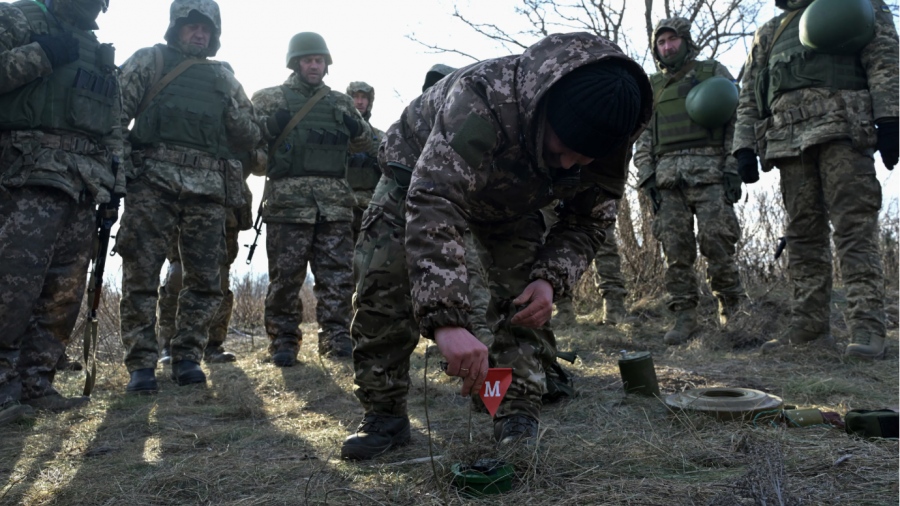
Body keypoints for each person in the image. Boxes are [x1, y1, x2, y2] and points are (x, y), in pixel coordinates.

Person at [341, 32, 651, 460]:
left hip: (513, 203)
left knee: (522, 305)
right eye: (561, 150)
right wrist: (447, 322)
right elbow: (435, 200)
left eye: (582, 160)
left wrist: (549, 280)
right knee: (383, 292)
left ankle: (516, 412)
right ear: (546, 115)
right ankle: (385, 415)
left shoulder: (613, 132)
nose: (567, 166)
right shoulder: (483, 99)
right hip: (414, 180)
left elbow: (588, 219)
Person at [733, 0, 898, 358]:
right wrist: (743, 146)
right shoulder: (770, 31)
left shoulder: (857, 4)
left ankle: (867, 327)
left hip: (843, 129)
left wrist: (889, 117)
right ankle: (808, 328)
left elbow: (884, 58)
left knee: (854, 229)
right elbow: (750, 93)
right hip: (789, 142)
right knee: (802, 235)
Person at [117, 0, 262, 393]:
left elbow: (249, 135)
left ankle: (187, 356)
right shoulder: (150, 61)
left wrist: (234, 108)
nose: (199, 33)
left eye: (206, 29)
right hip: (152, 184)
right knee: (141, 274)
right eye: (191, 26)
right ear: (176, 28)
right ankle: (142, 363)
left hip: (207, 191)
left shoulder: (223, 78)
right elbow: (116, 115)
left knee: (205, 279)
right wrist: (117, 171)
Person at [0, 0, 121, 423]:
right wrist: (40, 55)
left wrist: (114, 187)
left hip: (84, 185)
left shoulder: (96, 50)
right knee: (12, 287)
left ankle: (36, 383)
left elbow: (113, 127)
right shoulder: (16, 18)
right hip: (23, 177)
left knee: (64, 293)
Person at [251, 32, 372, 365]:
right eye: (308, 60)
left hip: (334, 207)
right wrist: (267, 130)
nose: (314, 65)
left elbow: (364, 144)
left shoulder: (341, 103)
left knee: (337, 277)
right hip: (288, 207)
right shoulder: (269, 99)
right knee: (285, 279)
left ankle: (336, 338)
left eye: (319, 60)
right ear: (295, 62)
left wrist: (355, 127)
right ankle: (284, 341)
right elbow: (249, 149)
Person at [633, 17, 747, 345]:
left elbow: (734, 124)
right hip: (668, 182)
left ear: (685, 40)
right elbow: (643, 138)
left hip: (711, 176)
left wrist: (731, 169)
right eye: (661, 42)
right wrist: (647, 178)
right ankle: (685, 315)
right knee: (676, 252)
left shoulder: (713, 74)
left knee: (718, 244)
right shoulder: (652, 86)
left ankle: (732, 310)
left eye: (672, 40)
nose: (667, 46)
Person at [156, 171, 253, 365]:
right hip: (184, 194)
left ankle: (213, 345)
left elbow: (257, 157)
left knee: (220, 278)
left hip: (226, 200)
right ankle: (168, 343)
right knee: (177, 275)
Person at [552, 220, 634, 327]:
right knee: (555, 243)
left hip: (596, 205)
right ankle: (563, 310)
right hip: (552, 204)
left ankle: (614, 308)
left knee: (605, 241)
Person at [345, 81, 385, 245]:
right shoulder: (337, 134)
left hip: (371, 210)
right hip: (342, 207)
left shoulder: (380, 137)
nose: (359, 102)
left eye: (364, 98)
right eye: (355, 97)